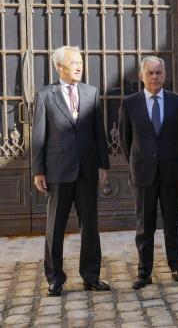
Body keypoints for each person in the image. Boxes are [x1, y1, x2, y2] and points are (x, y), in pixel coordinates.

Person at [31, 46, 111, 296]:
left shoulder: (91, 92)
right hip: (58, 171)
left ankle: (91, 275)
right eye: (73, 62)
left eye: (80, 62)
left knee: (90, 226)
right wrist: (38, 170)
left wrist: (103, 164)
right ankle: (55, 278)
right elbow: (38, 137)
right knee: (55, 227)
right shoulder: (45, 95)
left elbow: (99, 132)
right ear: (59, 67)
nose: (79, 66)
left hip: (87, 170)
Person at [118, 56, 178, 289]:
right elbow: (125, 140)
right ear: (141, 76)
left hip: (171, 173)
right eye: (150, 73)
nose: (154, 77)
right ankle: (144, 271)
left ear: (165, 75)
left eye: (159, 73)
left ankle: (177, 267)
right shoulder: (130, 103)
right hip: (143, 174)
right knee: (144, 225)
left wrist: (173, 159)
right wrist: (139, 161)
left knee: (173, 222)